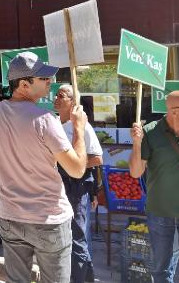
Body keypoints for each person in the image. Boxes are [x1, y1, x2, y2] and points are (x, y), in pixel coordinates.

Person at [0, 51, 87, 283]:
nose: (49, 81)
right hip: (48, 218)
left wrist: (5, 197)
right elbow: (77, 169)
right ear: (23, 84)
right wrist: (79, 128)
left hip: (10, 214)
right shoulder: (45, 119)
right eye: (42, 78)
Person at [129, 90, 179, 283]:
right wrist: (136, 143)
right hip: (159, 213)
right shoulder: (150, 132)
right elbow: (135, 172)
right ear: (174, 111)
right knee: (161, 272)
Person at [54, 84, 103, 283]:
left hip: (77, 188)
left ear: (73, 102)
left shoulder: (83, 126)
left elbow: (98, 159)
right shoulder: (54, 123)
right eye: (56, 95)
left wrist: (71, 165)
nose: (56, 98)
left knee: (78, 237)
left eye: (62, 96)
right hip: (58, 187)